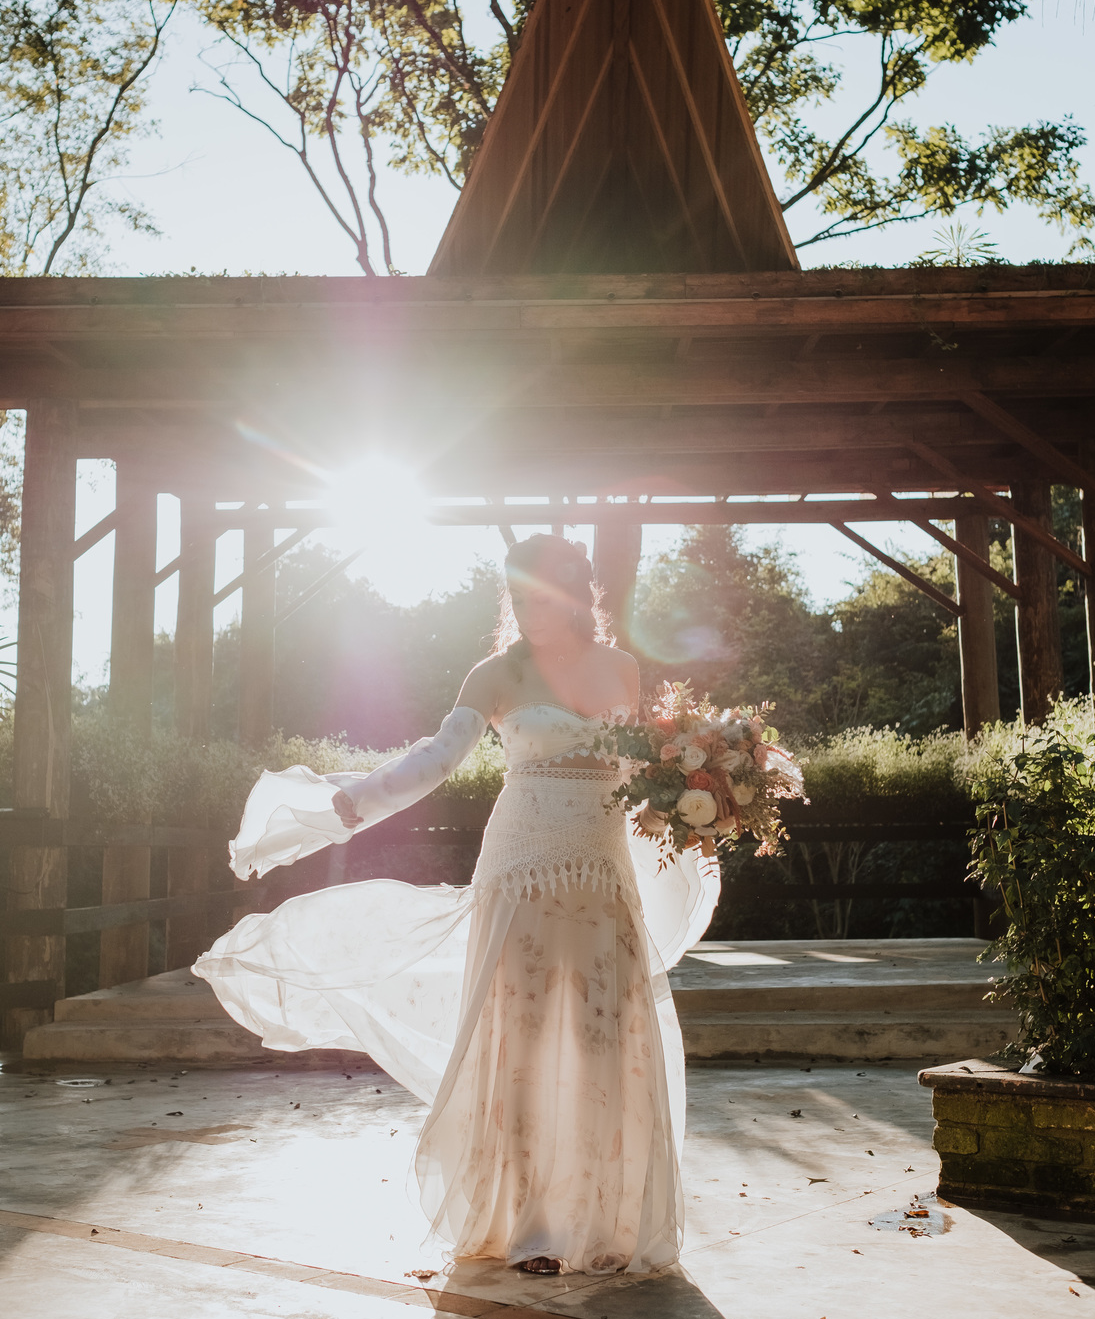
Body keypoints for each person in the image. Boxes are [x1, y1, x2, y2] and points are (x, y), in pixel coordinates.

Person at [192, 534, 718, 1275]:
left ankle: (606, 1221)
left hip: (602, 872)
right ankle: (531, 1229)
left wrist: (704, 800)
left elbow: (645, 775)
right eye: (521, 597)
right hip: (522, 867)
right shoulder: (496, 672)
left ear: (578, 597)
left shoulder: (622, 669)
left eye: (546, 596)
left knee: (604, 1033)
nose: (533, 610)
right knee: (527, 1039)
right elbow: (438, 758)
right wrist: (343, 807)